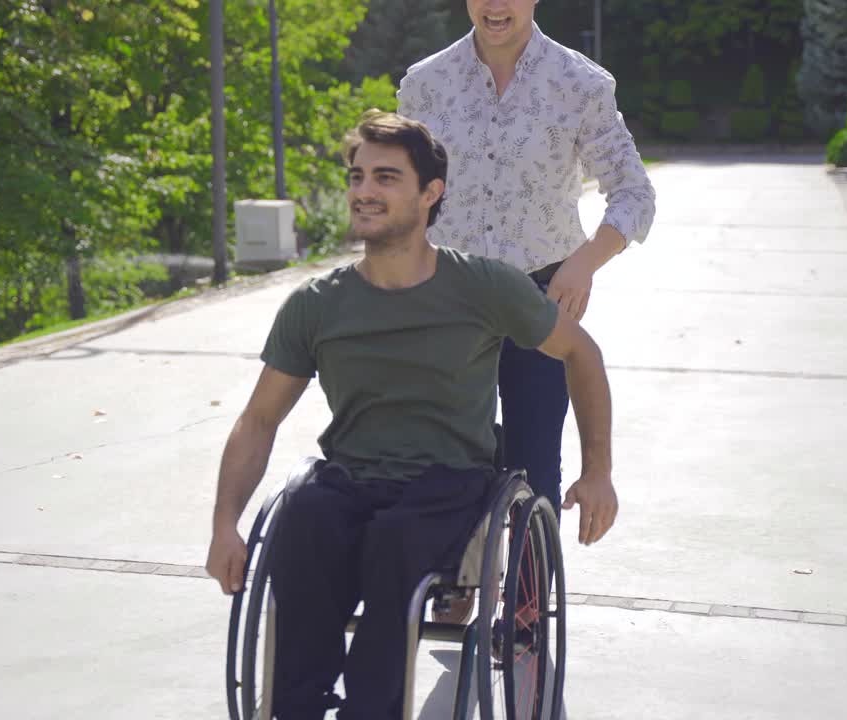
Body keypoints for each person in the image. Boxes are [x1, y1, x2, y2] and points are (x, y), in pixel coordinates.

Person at [205, 110, 617, 720]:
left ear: (431, 194)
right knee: (303, 519)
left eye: (386, 177)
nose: (364, 191)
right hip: (351, 480)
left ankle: (370, 711)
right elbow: (259, 418)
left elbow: (581, 353)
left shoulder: (484, 287)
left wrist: (597, 470)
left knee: (394, 540)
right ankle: (295, 707)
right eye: (357, 176)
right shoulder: (318, 305)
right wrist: (224, 524)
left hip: (450, 483)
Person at [396, 0, 655, 623]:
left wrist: (585, 261)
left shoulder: (580, 83)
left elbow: (633, 191)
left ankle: (529, 597)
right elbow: (401, 188)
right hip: (447, 293)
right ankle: (455, 575)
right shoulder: (425, 82)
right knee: (448, 447)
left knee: (535, 451)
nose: (495, 6)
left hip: (541, 293)